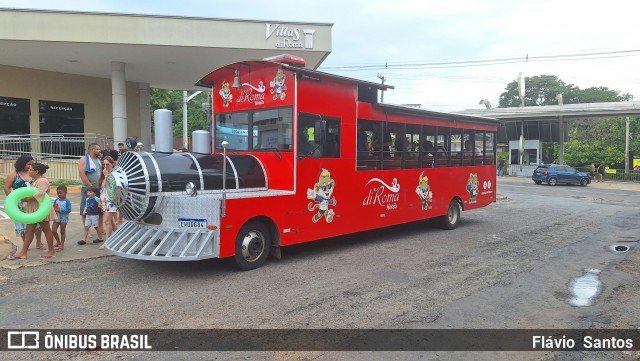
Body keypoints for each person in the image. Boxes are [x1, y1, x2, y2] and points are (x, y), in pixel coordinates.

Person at [7, 162, 57, 260]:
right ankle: (23, 252)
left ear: (36, 171)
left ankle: (51, 251)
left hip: (41, 208)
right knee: (29, 230)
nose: (28, 171)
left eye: (30, 169)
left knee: (46, 229)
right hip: (34, 208)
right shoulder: (35, 180)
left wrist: (28, 199)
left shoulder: (42, 180)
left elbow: (41, 193)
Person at [3, 154, 36, 246]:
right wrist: (12, 201)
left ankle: (39, 242)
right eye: (29, 164)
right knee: (22, 224)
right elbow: (6, 188)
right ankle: (25, 245)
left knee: (36, 224)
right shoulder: (14, 174)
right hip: (19, 203)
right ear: (22, 163)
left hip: (32, 202)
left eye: (32, 164)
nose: (31, 166)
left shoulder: (33, 172)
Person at [78, 143, 103, 236]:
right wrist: (90, 186)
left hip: (98, 188)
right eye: (98, 149)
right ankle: (86, 230)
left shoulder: (98, 160)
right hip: (87, 188)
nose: (99, 151)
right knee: (85, 208)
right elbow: (82, 174)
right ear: (92, 150)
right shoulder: (83, 160)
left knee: (100, 208)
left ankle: (100, 228)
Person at [98, 156, 117, 250]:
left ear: (112, 164)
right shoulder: (105, 175)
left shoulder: (114, 175)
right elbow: (103, 189)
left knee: (106, 221)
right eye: (104, 164)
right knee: (111, 223)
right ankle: (120, 238)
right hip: (105, 200)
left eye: (107, 164)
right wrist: (100, 200)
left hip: (112, 201)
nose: (105, 166)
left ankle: (108, 242)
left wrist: (106, 176)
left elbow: (111, 186)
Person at [51, 185, 71, 251]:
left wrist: (60, 210)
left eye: (61, 193)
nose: (59, 195)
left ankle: (62, 244)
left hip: (64, 218)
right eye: (58, 193)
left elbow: (68, 210)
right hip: (57, 217)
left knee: (62, 231)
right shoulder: (56, 200)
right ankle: (58, 242)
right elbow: (54, 207)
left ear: (65, 193)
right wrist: (54, 209)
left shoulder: (67, 201)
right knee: (53, 230)